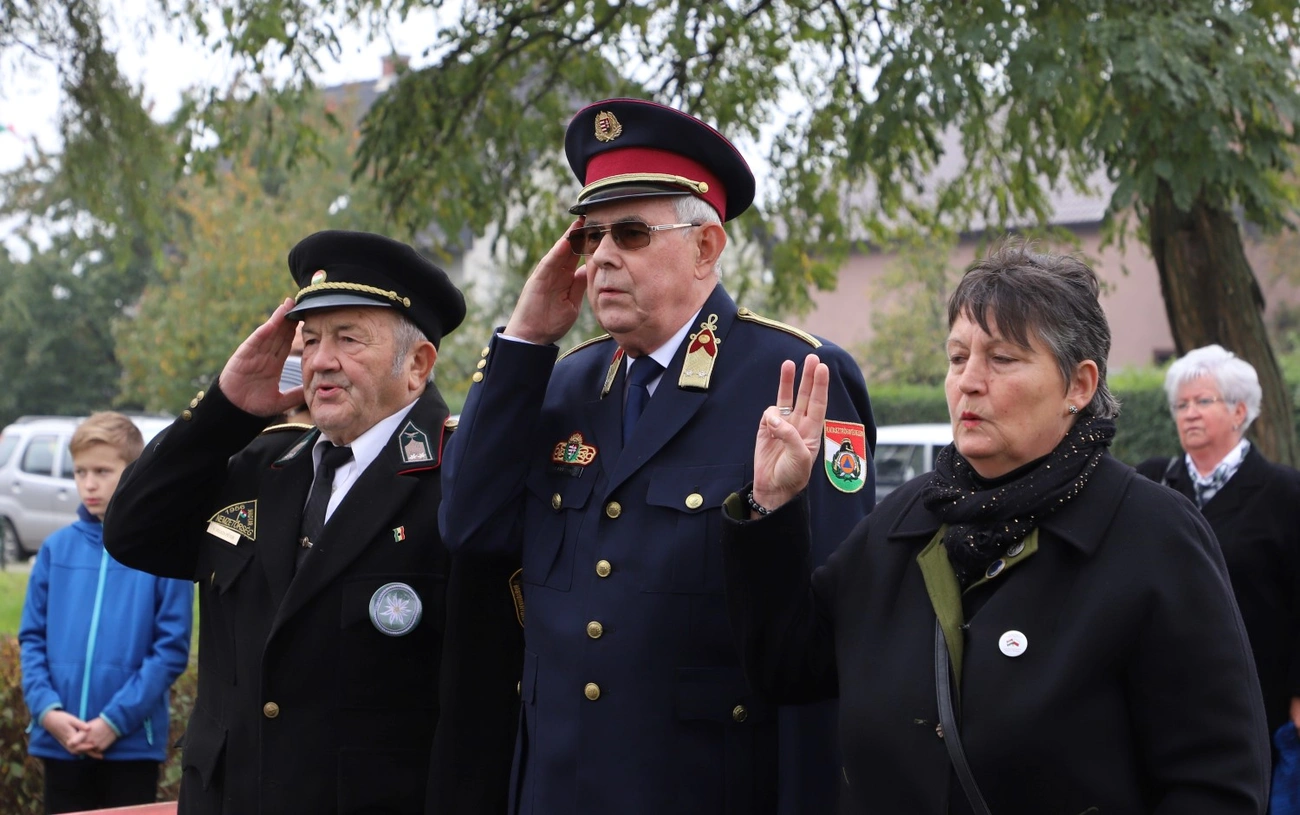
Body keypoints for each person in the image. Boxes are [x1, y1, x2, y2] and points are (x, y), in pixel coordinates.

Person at [439, 98, 877, 815]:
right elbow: (470, 525)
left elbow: (827, 642)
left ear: (706, 247)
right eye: (591, 235)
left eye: (632, 233)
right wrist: (523, 341)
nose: (603, 257)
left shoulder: (793, 378)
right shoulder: (566, 382)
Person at [722, 244, 1271, 813]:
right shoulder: (903, 521)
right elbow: (787, 666)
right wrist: (772, 505)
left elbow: (1218, 781)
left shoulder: (1153, 535)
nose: (969, 382)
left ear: (1079, 385)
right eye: (958, 357)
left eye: (1003, 358)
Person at [103, 230, 520, 815]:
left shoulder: (457, 485)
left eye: (348, 338)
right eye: (311, 338)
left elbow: (478, 719)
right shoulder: (263, 464)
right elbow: (132, 532)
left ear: (417, 364)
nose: (320, 360)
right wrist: (226, 408)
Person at [1136, 345, 1300, 785]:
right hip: (1165, 692)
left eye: (1202, 401)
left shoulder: (1285, 492)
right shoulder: (1151, 482)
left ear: (1239, 411)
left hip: (1259, 694)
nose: (1189, 413)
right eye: (1181, 404)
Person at [19, 411, 193, 815]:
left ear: (133, 472)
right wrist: (48, 712)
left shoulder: (161, 552)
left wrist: (113, 722)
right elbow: (31, 638)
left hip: (129, 746)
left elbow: (170, 650)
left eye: (102, 471)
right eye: (80, 472)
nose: (89, 484)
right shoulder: (55, 550)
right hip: (59, 742)